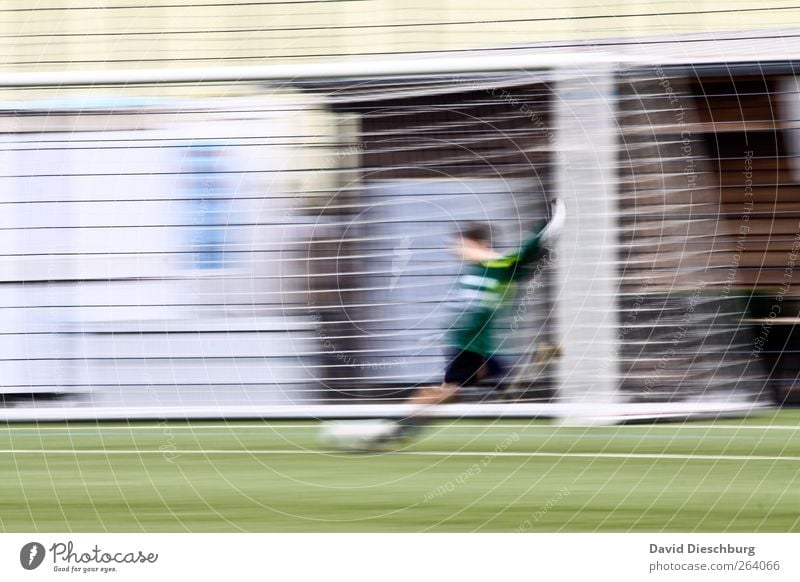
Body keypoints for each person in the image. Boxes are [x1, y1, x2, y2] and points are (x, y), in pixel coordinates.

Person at [377, 199, 566, 444]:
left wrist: (549, 223)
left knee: (450, 392)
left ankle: (398, 430)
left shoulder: (499, 265)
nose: (455, 251)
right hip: (467, 346)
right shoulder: (474, 270)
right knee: (451, 391)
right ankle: (400, 429)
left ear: (477, 244)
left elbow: (531, 250)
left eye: (460, 245)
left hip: (474, 347)